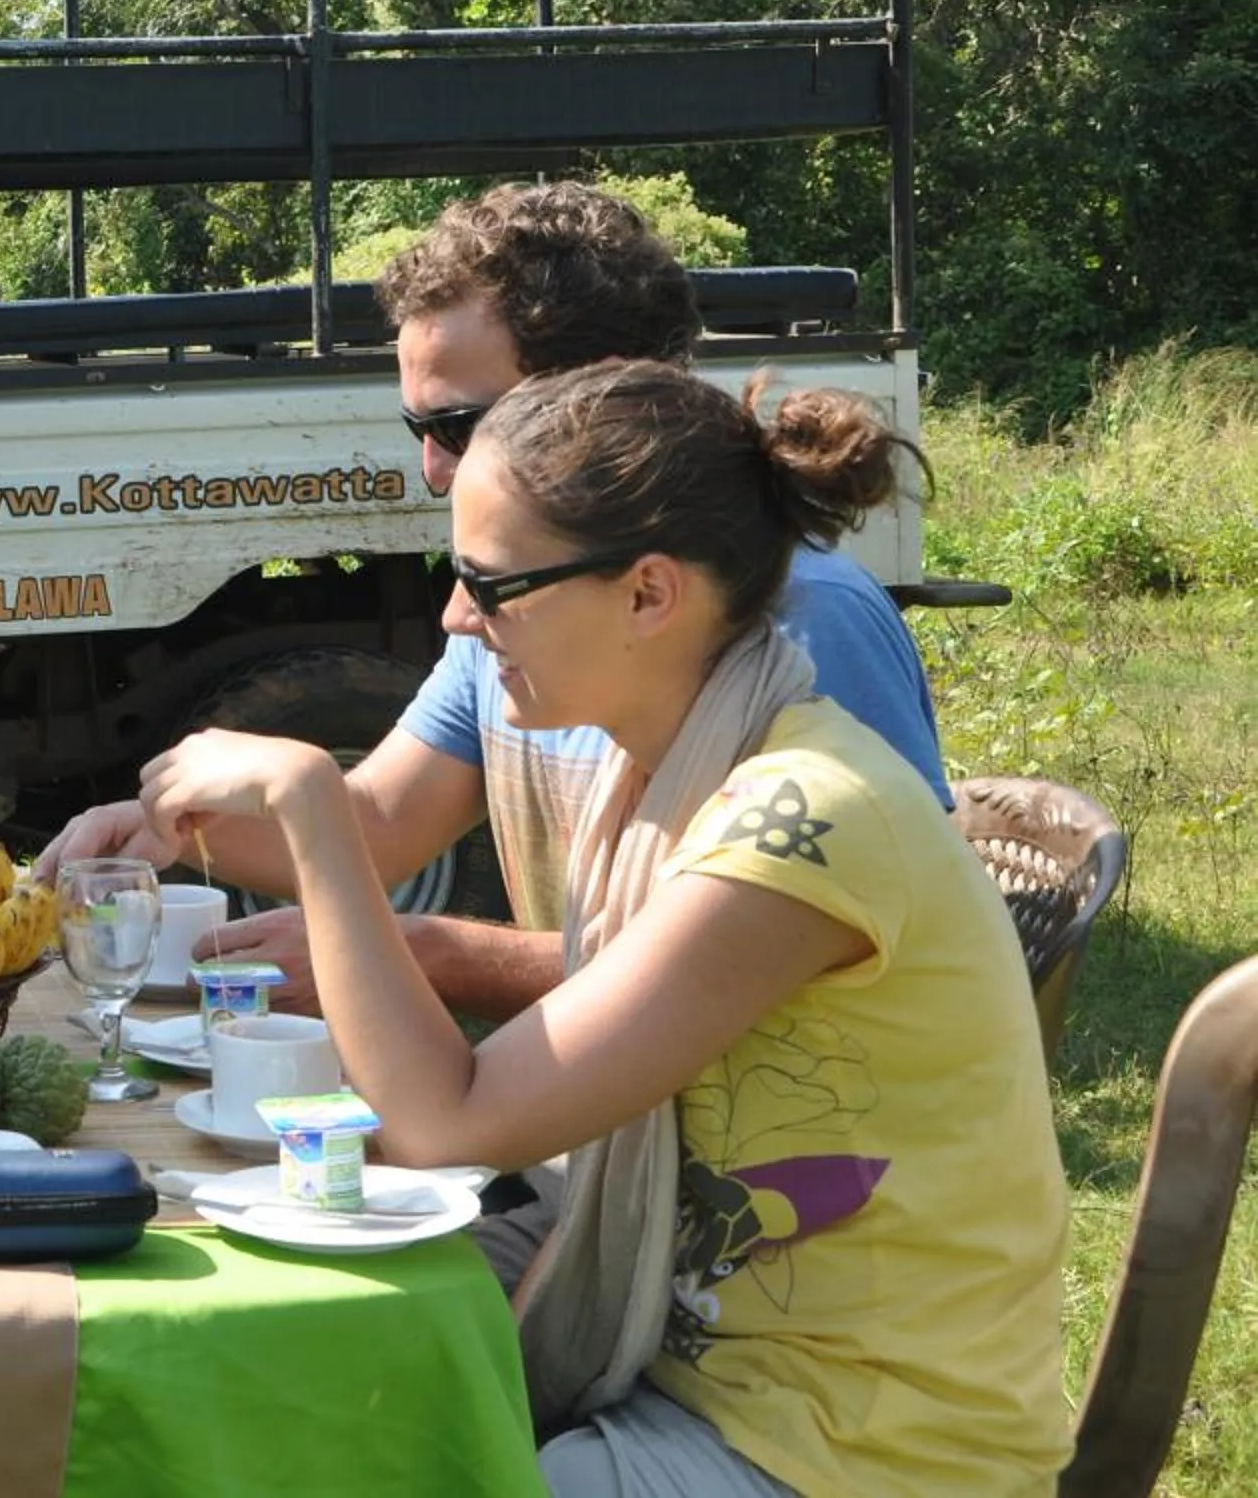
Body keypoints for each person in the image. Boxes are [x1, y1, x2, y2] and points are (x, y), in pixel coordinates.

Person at [138, 361, 1066, 1495]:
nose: (455, 615)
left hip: (854, 1449)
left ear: (647, 595)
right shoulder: (681, 779)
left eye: (490, 583)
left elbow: (448, 1121)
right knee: (285, 1385)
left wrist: (314, 814)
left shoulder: (805, 816)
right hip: (714, 1385)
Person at [44, 182, 950, 1024]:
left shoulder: (804, 619)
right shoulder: (514, 602)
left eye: (458, 426)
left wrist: (431, 954)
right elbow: (380, 825)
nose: (434, 468)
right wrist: (167, 832)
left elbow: (858, 950)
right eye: (417, 429)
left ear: (600, 391)